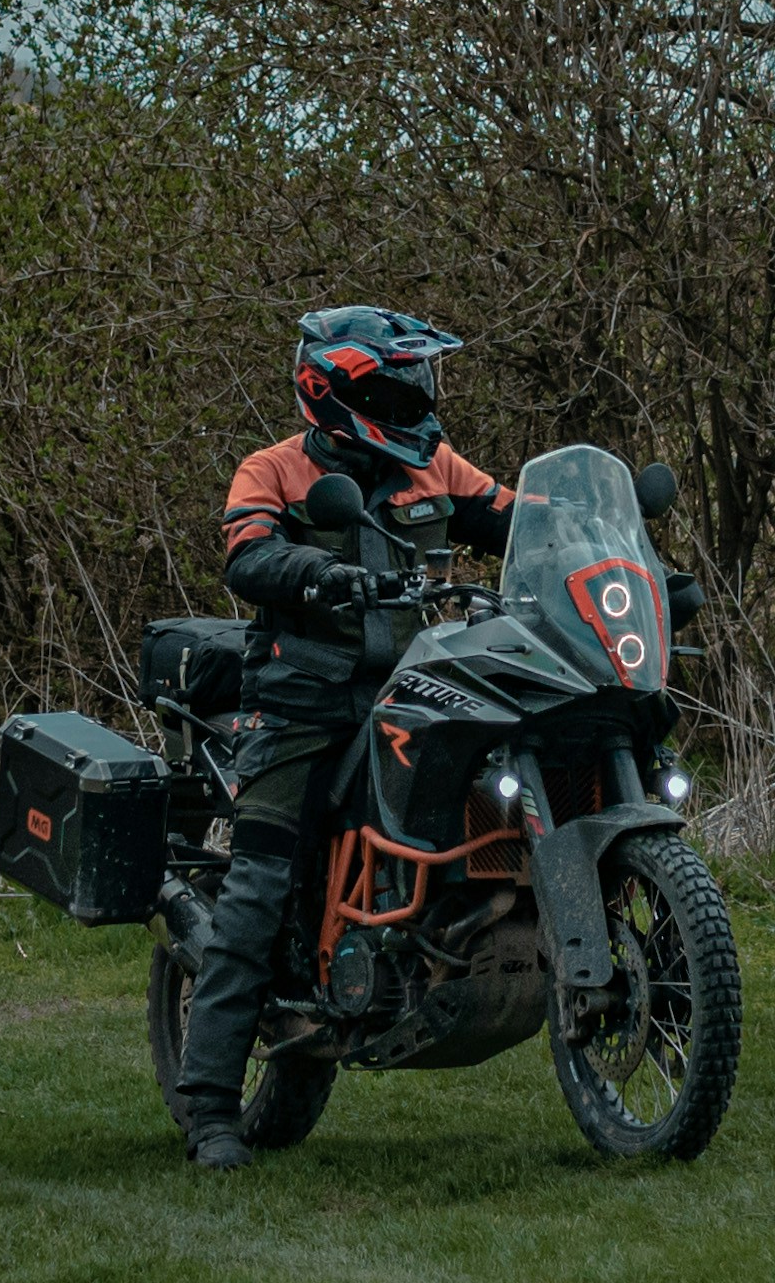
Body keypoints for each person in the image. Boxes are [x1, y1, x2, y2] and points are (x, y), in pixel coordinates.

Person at [173, 305, 519, 1169]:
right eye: (394, 386)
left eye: (418, 383)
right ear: (330, 390)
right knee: (257, 882)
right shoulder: (277, 469)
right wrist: (319, 571)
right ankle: (210, 1109)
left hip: (418, 686)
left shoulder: (434, 463)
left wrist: (601, 536)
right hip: (301, 702)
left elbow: (514, 512)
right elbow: (247, 555)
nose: (414, 400)